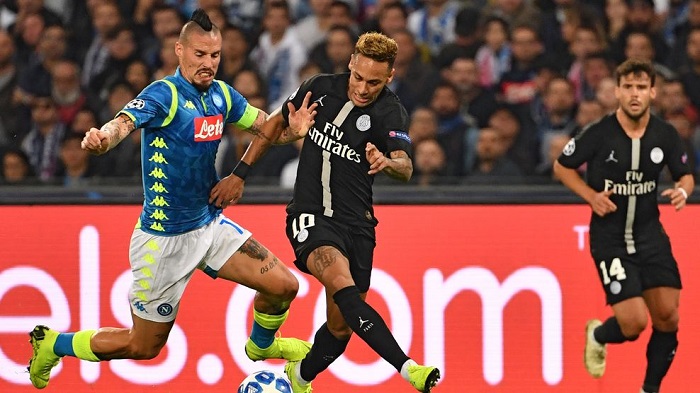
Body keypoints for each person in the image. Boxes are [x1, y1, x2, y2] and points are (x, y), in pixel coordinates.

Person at [26, 10, 318, 390]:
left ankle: (261, 350)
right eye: (199, 54)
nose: (208, 63)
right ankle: (54, 344)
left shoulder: (222, 95)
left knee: (283, 287)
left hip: (209, 223)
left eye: (214, 55)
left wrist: (292, 133)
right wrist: (103, 138)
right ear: (179, 51)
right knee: (143, 346)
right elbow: (124, 123)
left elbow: (265, 128)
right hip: (163, 241)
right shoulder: (164, 94)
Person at [211, 31, 441, 393]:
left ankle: (298, 379)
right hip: (311, 216)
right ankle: (408, 367)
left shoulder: (390, 111)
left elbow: (406, 165)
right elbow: (273, 123)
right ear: (350, 62)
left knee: (340, 328)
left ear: (390, 77)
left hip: (359, 225)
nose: (363, 89)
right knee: (341, 285)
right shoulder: (319, 87)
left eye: (374, 82)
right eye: (359, 77)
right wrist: (240, 174)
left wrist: (388, 161)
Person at [553, 58, 694, 393]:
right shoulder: (599, 134)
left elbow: (685, 175)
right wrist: (590, 195)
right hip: (611, 239)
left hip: (651, 237)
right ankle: (598, 334)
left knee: (668, 318)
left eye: (641, 87)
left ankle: (650, 389)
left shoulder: (666, 134)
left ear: (653, 92)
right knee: (633, 324)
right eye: (628, 87)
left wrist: (683, 191)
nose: (634, 94)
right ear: (616, 91)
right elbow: (562, 166)